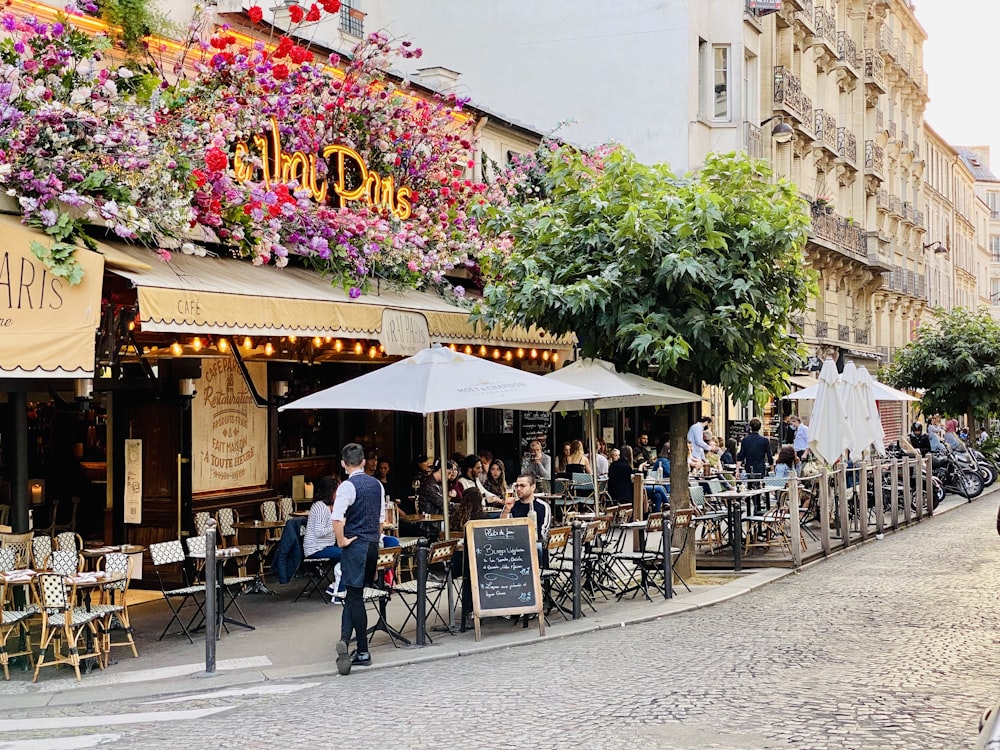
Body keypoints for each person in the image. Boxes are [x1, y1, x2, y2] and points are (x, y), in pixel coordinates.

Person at [332, 443, 385, 676]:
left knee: (355, 597)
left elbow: (336, 518)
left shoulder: (347, 486)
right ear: (364, 461)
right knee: (353, 594)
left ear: (343, 464)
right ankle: (344, 639)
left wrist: (342, 541)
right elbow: (381, 520)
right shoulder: (377, 485)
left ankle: (362, 649)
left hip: (356, 546)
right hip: (373, 544)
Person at [499, 473, 552, 552]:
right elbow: (501, 528)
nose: (519, 489)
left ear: (532, 487)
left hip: (535, 545)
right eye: (517, 486)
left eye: (522, 486)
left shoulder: (542, 506)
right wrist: (507, 509)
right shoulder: (512, 505)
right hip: (513, 546)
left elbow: (543, 533)